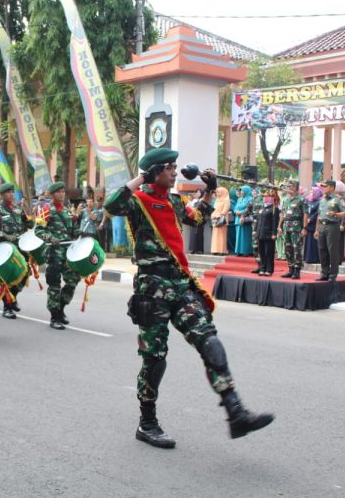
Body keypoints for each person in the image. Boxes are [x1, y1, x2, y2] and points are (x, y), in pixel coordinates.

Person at [104, 147, 273, 449]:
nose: (174, 172)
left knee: (209, 340)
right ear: (155, 172)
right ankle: (147, 422)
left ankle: (236, 412)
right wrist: (141, 178)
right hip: (152, 289)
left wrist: (208, 192)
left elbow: (196, 219)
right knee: (154, 359)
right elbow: (112, 204)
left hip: (180, 284)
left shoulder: (174, 200)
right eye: (169, 167)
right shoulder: (139, 202)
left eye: (174, 166)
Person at [37, 181, 81, 330]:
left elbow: (72, 230)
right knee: (54, 285)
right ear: (52, 194)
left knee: (72, 281)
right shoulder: (46, 209)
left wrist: (78, 232)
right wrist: (50, 238)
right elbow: (38, 230)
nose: (61, 194)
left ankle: (61, 309)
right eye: (58, 192)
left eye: (63, 192)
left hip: (68, 253)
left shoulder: (68, 210)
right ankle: (54, 316)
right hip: (54, 253)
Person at [0, 183, 33, 319]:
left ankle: (13, 297)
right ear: (2, 195)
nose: (11, 195)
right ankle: (7, 307)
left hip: (19, 248)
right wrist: (3, 235)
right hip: (4, 250)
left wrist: (28, 211)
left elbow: (29, 224)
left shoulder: (18, 209)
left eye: (12, 192)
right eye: (8, 192)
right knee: (7, 278)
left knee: (24, 273)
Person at [315, 180, 345, 281]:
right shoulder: (322, 200)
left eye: (325, 186)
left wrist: (336, 214)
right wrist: (317, 230)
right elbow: (319, 215)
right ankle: (324, 272)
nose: (323, 188)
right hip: (322, 226)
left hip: (332, 226)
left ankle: (333, 274)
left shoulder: (338, 199)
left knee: (332, 250)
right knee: (322, 250)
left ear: (332, 187)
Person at [278, 180, 309, 279]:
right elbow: (282, 214)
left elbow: (305, 214)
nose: (287, 187)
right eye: (286, 186)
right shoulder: (285, 200)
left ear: (295, 187)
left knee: (297, 249)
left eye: (289, 186)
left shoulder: (301, 199)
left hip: (297, 227)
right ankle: (290, 269)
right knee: (288, 249)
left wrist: (304, 228)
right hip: (286, 226)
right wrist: (279, 226)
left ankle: (297, 270)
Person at [256, 189, 280, 276]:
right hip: (261, 233)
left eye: (268, 196)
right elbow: (258, 221)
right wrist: (256, 232)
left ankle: (269, 269)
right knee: (261, 252)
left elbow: (275, 222)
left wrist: (274, 233)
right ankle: (262, 268)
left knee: (268, 252)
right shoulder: (263, 208)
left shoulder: (274, 209)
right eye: (265, 196)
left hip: (269, 234)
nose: (265, 198)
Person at [233, 185, 253, 256]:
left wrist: (241, 212)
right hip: (238, 219)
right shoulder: (239, 199)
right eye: (240, 190)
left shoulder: (250, 199)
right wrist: (235, 211)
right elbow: (235, 207)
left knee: (245, 236)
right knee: (238, 236)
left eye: (242, 190)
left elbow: (249, 209)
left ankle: (246, 251)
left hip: (245, 219)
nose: (241, 192)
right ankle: (239, 251)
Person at [304, 186, 322, 264]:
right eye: (311, 192)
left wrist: (311, 219)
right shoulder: (309, 201)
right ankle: (307, 257)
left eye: (313, 192)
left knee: (314, 242)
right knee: (308, 241)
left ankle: (314, 258)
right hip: (308, 225)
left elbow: (318, 212)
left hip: (315, 224)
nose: (311, 193)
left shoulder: (319, 202)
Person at [210, 187, 230, 255]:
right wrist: (213, 215)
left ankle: (222, 250)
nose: (217, 194)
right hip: (215, 219)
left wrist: (218, 215)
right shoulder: (217, 200)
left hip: (221, 219)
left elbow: (225, 210)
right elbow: (214, 209)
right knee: (215, 235)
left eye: (219, 192)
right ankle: (215, 250)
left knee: (221, 235)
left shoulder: (226, 199)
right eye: (217, 192)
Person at [188, 189, 207, 254]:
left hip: (200, 219)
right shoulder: (194, 201)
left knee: (199, 234)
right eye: (197, 192)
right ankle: (193, 249)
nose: (197, 193)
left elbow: (206, 210)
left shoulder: (204, 200)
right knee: (193, 234)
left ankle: (200, 250)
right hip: (194, 219)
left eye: (199, 192)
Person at [226, 188, 238, 254]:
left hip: (235, 221)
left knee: (234, 236)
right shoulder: (231, 201)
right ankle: (231, 250)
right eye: (235, 192)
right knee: (231, 236)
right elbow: (234, 210)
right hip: (231, 221)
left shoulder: (237, 200)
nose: (237, 193)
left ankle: (234, 249)